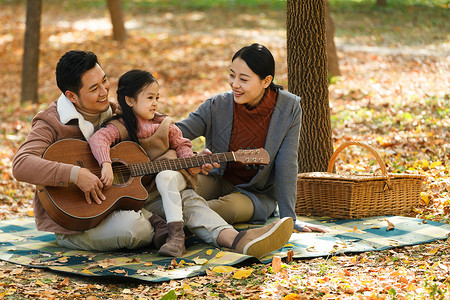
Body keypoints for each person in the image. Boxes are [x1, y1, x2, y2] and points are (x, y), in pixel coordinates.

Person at [12, 50, 295, 258]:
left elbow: (161, 130)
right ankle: (86, 239)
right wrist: (75, 174)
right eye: (94, 88)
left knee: (182, 197)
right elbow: (22, 164)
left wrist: (187, 158)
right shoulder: (50, 121)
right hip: (76, 218)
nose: (104, 91)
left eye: (105, 81)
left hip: (128, 200)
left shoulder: (117, 110)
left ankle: (237, 240)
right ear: (71, 96)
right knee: (139, 229)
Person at [177, 43, 327, 233]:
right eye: (232, 75)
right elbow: (176, 133)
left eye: (244, 79)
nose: (235, 84)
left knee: (223, 209)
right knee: (174, 186)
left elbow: (287, 163)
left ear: (266, 81)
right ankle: (167, 219)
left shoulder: (288, 108)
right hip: (217, 179)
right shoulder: (217, 105)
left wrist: (289, 218)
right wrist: (191, 154)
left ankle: (167, 221)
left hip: (254, 194)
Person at [88, 69, 196, 257]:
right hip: (136, 191)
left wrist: (192, 161)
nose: (155, 103)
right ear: (129, 101)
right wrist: (106, 163)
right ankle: (159, 225)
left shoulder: (164, 124)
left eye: (157, 98)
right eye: (149, 98)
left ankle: (176, 237)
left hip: (159, 184)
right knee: (126, 194)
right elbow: (98, 139)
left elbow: (182, 145)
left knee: (163, 182)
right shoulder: (120, 125)